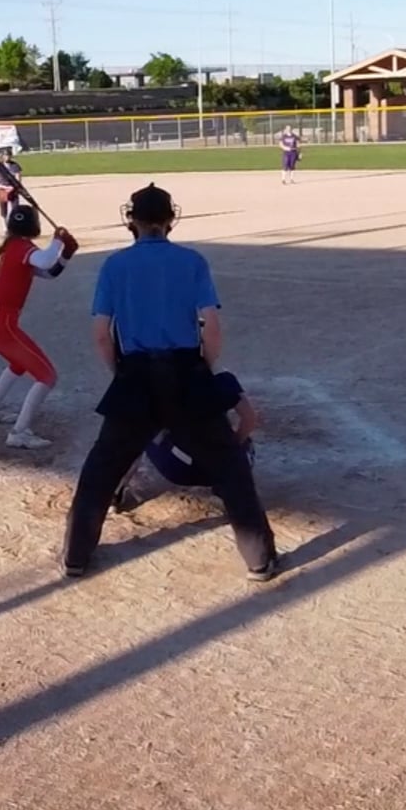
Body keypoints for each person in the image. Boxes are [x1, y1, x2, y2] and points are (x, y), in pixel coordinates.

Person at [61, 183, 279, 581]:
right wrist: (203, 369)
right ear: (169, 219)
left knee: (101, 469)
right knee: (229, 467)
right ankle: (259, 560)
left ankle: (76, 556)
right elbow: (211, 326)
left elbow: (101, 334)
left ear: (132, 220)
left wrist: (121, 375)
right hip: (186, 370)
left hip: (134, 372)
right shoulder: (191, 261)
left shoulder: (114, 265)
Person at [0, 203, 79, 450]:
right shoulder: (22, 248)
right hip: (1, 322)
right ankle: (19, 433)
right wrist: (58, 240)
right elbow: (45, 260)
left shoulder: (14, 248)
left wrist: (66, 254)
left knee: (19, 364)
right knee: (47, 376)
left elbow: (50, 272)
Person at [112, 366, 259, 513]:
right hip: (216, 469)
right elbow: (250, 419)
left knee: (136, 428)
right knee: (243, 441)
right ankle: (225, 488)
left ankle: (113, 491)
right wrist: (229, 451)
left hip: (176, 467)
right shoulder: (223, 378)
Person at [0, 147, 21, 221]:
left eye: (9, 155)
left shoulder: (15, 165)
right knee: (3, 210)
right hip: (2, 188)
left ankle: (13, 223)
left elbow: (18, 178)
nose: (7, 157)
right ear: (2, 156)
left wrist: (15, 187)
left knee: (15, 209)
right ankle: (5, 225)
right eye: (5, 155)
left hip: (13, 188)